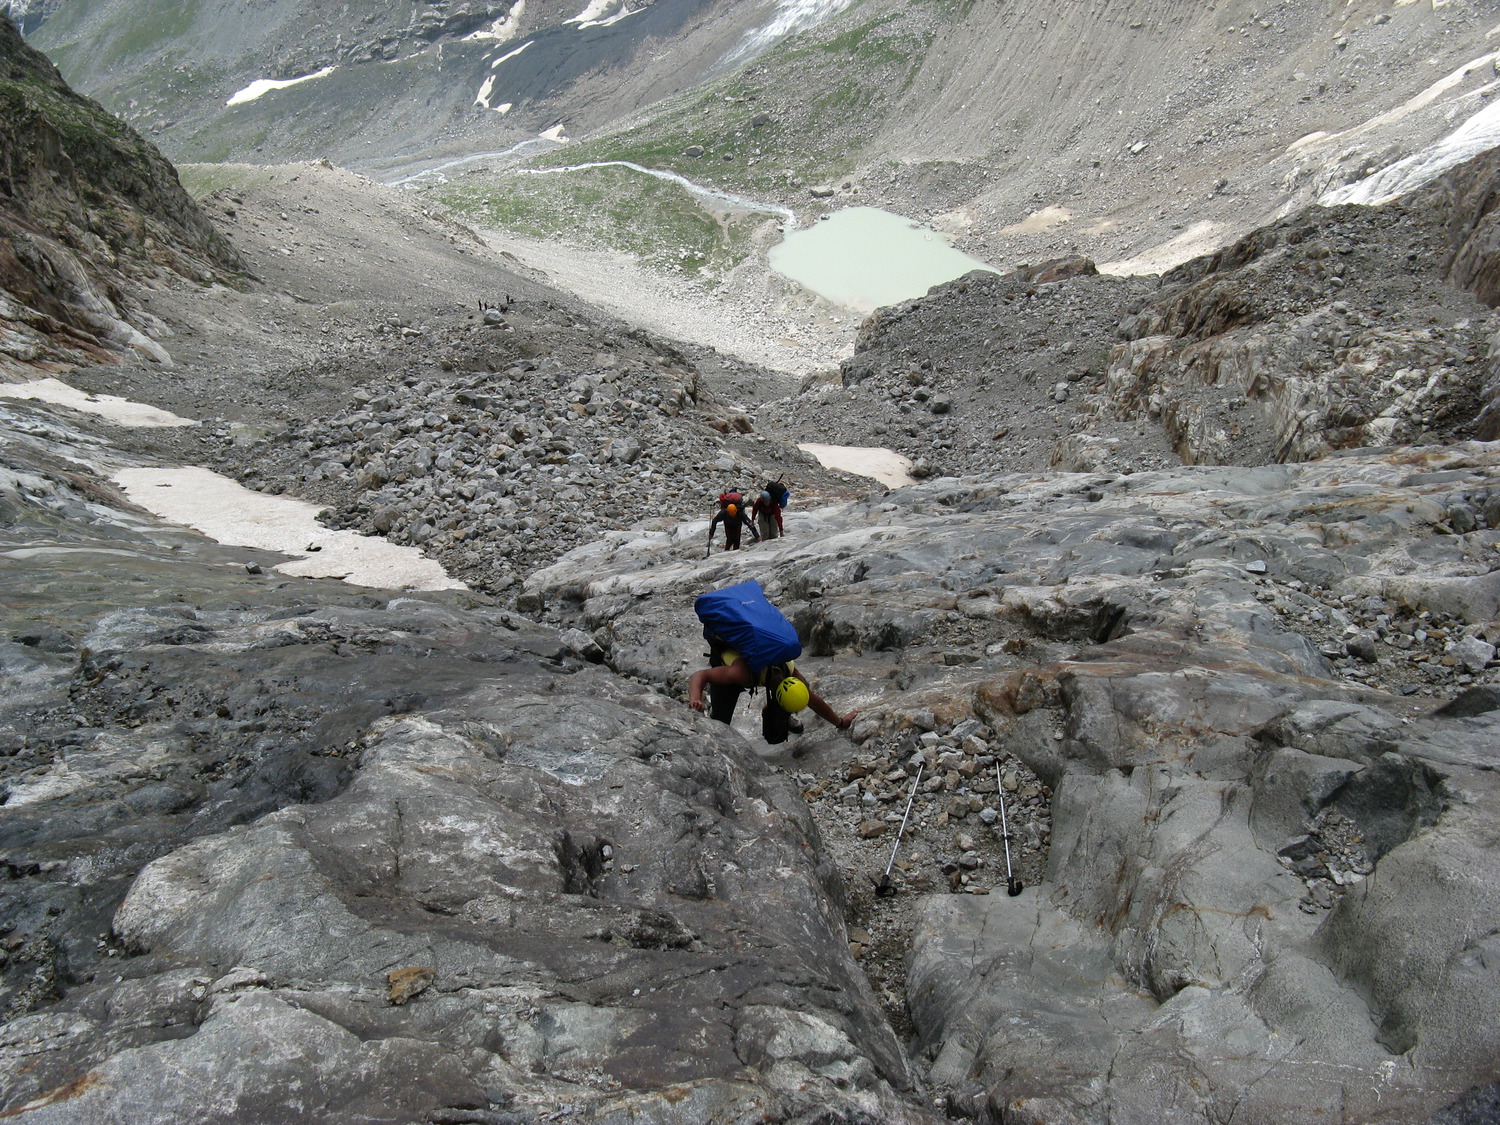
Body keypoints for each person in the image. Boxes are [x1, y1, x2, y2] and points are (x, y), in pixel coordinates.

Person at [687, 636, 857, 744]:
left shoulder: (789, 669)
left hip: (764, 668)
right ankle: (717, 716)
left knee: (778, 725)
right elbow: (700, 675)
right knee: (720, 728)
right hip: (728, 662)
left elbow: (812, 700)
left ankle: (784, 714)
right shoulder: (741, 673)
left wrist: (840, 722)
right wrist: (696, 699)